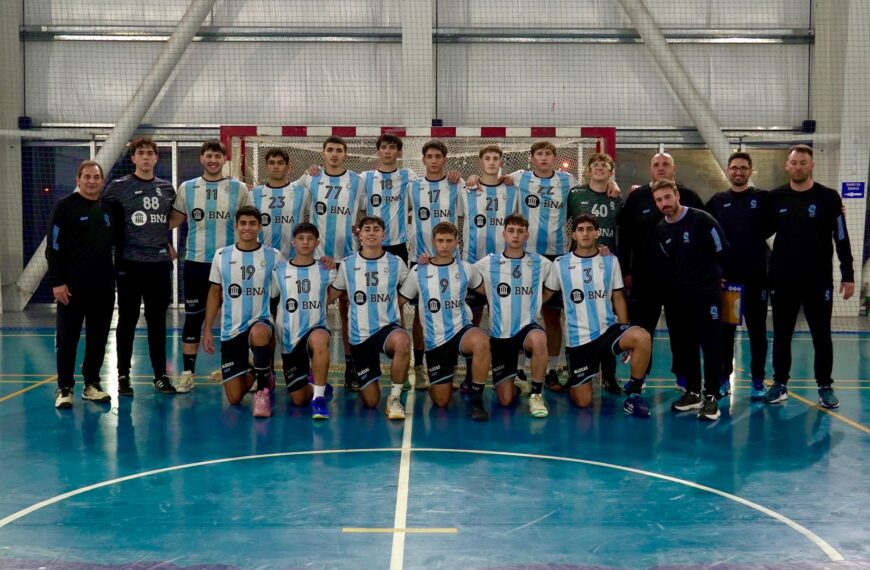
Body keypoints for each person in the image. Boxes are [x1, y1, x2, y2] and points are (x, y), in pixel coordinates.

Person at [764, 144, 854, 409]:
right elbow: (756, 228)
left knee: (821, 335)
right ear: (787, 166)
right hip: (783, 279)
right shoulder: (775, 197)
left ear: (811, 165)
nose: (798, 167)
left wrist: (847, 274)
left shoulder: (829, 198)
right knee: (781, 334)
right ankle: (779, 384)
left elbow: (841, 236)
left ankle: (824, 386)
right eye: (794, 162)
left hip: (818, 280)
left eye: (803, 162)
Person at [543, 215, 652, 417]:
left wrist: (625, 327)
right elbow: (546, 294)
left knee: (642, 337)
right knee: (583, 403)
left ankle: (634, 395)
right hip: (579, 340)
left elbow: (618, 297)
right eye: (581, 229)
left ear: (597, 233)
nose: (585, 233)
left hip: (607, 331)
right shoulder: (560, 264)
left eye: (589, 229)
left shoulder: (610, 261)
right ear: (574, 234)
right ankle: (577, 383)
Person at [617, 152, 704, 387]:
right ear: (650, 169)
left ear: (674, 169)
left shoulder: (690, 197)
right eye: (657, 165)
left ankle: (683, 375)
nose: (661, 168)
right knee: (643, 329)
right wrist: (626, 270)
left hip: (681, 278)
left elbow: (704, 237)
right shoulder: (637, 198)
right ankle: (640, 375)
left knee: (682, 329)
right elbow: (624, 237)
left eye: (666, 164)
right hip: (645, 278)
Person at [169, 139, 249, 392]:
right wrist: (159, 240)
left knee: (234, 318)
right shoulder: (187, 188)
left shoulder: (239, 188)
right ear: (201, 159)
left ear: (225, 159)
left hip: (231, 263)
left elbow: (249, 223)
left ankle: (229, 366)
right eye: (208, 156)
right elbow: (173, 220)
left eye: (217, 156)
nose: (213, 160)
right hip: (196, 262)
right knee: (193, 318)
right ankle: (187, 373)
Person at [102, 137, 177, 396]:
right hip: (129, 264)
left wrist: (165, 241)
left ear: (156, 158)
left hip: (159, 265)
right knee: (127, 320)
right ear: (133, 158)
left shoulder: (167, 189)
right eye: (140, 153)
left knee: (158, 323)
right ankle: (123, 376)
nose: (146, 157)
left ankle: (160, 376)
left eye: (150, 153)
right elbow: (104, 219)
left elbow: (170, 219)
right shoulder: (117, 187)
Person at [652, 179, 729, 421]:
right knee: (686, 346)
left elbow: (723, 251)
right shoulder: (661, 229)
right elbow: (667, 261)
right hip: (678, 298)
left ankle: (712, 397)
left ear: (677, 196)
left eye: (667, 197)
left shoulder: (703, 220)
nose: (664, 203)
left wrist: (722, 278)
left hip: (706, 294)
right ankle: (694, 392)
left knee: (711, 344)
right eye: (659, 200)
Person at [399, 222, 491, 421]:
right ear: (433, 242)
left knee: (481, 341)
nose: (444, 245)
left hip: (461, 330)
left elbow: (488, 292)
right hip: (435, 341)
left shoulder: (467, 269)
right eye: (440, 241)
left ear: (456, 243)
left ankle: (477, 397)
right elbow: (399, 300)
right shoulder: (419, 271)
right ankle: (442, 378)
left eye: (449, 241)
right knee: (441, 401)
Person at [296, 137, 366, 393]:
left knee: (350, 315)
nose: (334, 154)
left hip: (347, 258)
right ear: (323, 153)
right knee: (313, 312)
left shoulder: (358, 181)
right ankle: (310, 369)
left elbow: (371, 210)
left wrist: (360, 229)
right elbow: (286, 195)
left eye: (339, 150)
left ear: (346, 154)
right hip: (316, 259)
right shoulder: (309, 179)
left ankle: (351, 366)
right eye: (330, 150)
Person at [202, 206, 283, 417]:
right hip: (232, 330)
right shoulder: (222, 255)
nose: (247, 228)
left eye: (252, 223)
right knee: (234, 398)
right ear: (236, 226)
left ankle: (263, 391)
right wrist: (208, 328)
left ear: (259, 226)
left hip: (261, 322)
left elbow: (286, 287)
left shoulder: (274, 256)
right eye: (243, 223)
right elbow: (214, 292)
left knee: (259, 332)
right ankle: (261, 370)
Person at [47, 161, 115, 408]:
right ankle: (65, 388)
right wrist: (57, 282)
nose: (91, 181)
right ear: (78, 179)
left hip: (103, 288)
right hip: (71, 288)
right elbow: (52, 247)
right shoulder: (64, 207)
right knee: (67, 338)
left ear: (102, 181)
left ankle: (92, 384)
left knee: (98, 338)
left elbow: (121, 242)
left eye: (96, 177)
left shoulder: (108, 208)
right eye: (86, 177)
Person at [329, 216, 411, 420]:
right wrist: (319, 272)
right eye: (367, 229)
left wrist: (426, 264)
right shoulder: (348, 264)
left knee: (402, 340)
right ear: (360, 235)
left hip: (387, 329)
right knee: (371, 401)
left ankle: (394, 397)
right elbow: (332, 294)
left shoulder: (396, 262)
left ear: (383, 235)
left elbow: (412, 288)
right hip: (360, 337)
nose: (372, 232)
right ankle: (370, 378)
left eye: (376, 229)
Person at [705, 151, 772, 400]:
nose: (738, 172)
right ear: (727, 170)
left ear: (751, 171)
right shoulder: (717, 201)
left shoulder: (763, 198)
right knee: (726, 334)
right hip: (729, 283)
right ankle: (724, 379)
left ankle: (757, 380)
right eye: (734, 168)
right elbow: (705, 236)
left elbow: (790, 207)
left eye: (743, 168)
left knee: (758, 334)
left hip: (756, 281)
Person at [471, 214, 551, 418]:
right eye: (511, 231)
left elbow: (556, 283)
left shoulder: (540, 263)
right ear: (504, 233)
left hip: (527, 328)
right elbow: (464, 275)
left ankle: (536, 395)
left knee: (540, 339)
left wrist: (539, 299)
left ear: (527, 235)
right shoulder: (488, 263)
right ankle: (515, 386)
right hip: (500, 335)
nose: (515, 235)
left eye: (520, 231)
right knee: (505, 401)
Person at [566, 152, 624, 396]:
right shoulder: (575, 194)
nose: (599, 168)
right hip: (578, 263)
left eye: (604, 165)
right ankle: (576, 371)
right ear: (588, 171)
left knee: (606, 317)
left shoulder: (617, 200)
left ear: (610, 172)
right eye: (595, 165)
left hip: (606, 265)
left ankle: (609, 376)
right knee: (578, 314)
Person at [272, 223, 338, 420]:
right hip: (289, 337)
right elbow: (272, 297)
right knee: (298, 399)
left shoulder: (327, 269)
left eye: (310, 238)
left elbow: (334, 294)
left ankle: (318, 399)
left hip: (316, 327)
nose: (305, 242)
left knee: (319, 339)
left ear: (317, 242)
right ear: (293, 242)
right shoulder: (279, 270)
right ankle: (318, 385)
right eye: (301, 238)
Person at [248, 147, 311, 259]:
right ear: (266, 167)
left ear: (288, 167)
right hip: (264, 259)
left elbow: (315, 219)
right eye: (271, 163)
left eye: (280, 163)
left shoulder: (303, 192)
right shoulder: (254, 194)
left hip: (295, 259)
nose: (276, 166)